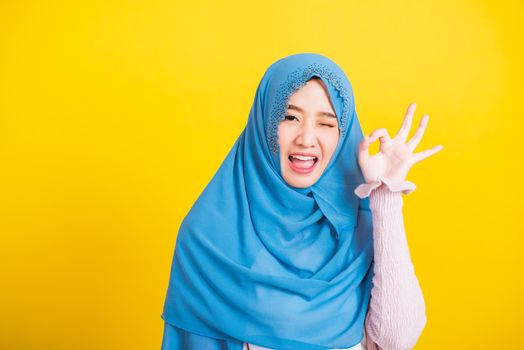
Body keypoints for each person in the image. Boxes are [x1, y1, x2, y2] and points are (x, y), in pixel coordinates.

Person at [160, 53, 443, 350]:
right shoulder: (209, 237)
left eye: (326, 123)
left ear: (342, 135)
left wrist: (387, 197)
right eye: (290, 117)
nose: (307, 139)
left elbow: (397, 341)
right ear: (264, 122)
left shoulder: (360, 223)